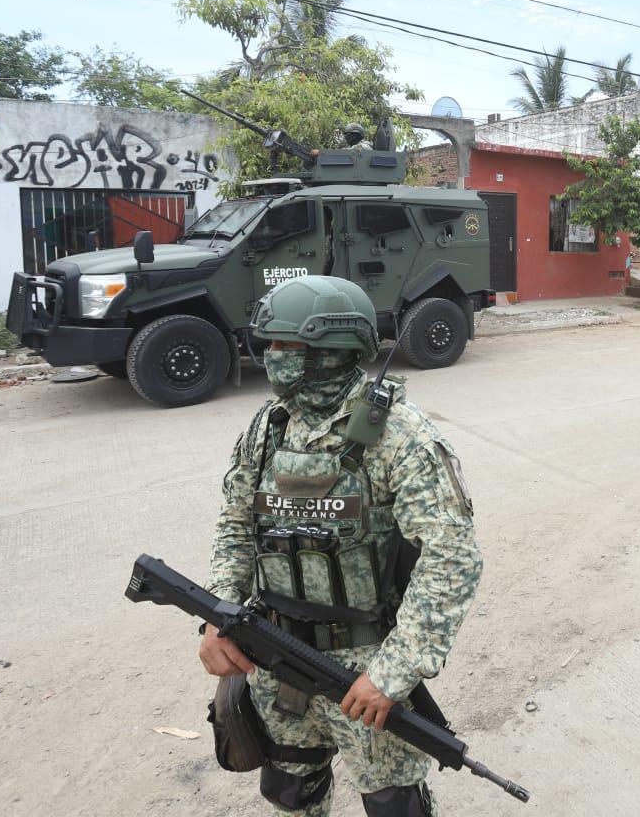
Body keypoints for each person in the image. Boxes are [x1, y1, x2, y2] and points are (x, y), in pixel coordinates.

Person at [202, 276, 482, 816]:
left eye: (286, 346)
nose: (271, 357)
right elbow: (237, 523)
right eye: (270, 345)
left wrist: (393, 672)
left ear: (333, 351)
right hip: (274, 656)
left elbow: (452, 561)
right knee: (289, 793)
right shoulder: (269, 427)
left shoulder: (400, 436)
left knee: (394, 804)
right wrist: (218, 615)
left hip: (365, 671)